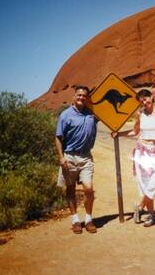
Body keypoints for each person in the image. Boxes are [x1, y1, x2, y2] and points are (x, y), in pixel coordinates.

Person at [112, 89, 155, 227]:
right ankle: (152, 216)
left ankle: (140, 206)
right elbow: (135, 132)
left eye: (146, 98)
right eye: (141, 100)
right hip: (142, 151)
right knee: (146, 184)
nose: (144, 101)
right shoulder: (140, 114)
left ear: (151, 97)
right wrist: (119, 134)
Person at [55, 85, 98, 234]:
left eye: (84, 96)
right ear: (74, 97)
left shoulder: (91, 114)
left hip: (86, 156)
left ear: (87, 98)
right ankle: (75, 220)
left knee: (89, 189)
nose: (81, 98)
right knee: (71, 188)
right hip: (70, 156)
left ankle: (88, 219)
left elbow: (109, 115)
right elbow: (58, 138)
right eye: (79, 95)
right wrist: (61, 158)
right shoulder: (65, 115)